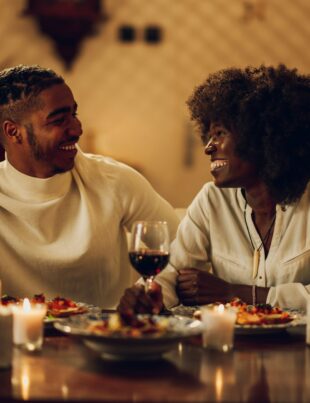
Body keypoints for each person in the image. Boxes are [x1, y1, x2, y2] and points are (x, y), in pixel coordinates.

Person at [118, 64, 310, 314]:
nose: (208, 147)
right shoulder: (212, 200)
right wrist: (151, 295)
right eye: (208, 135)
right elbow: (173, 272)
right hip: (226, 347)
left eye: (220, 133)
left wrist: (236, 293)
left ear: (263, 136)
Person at [0, 64, 179, 308]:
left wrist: (149, 295)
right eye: (59, 120)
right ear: (13, 132)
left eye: (74, 114)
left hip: (110, 338)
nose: (76, 129)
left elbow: (181, 248)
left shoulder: (114, 180)